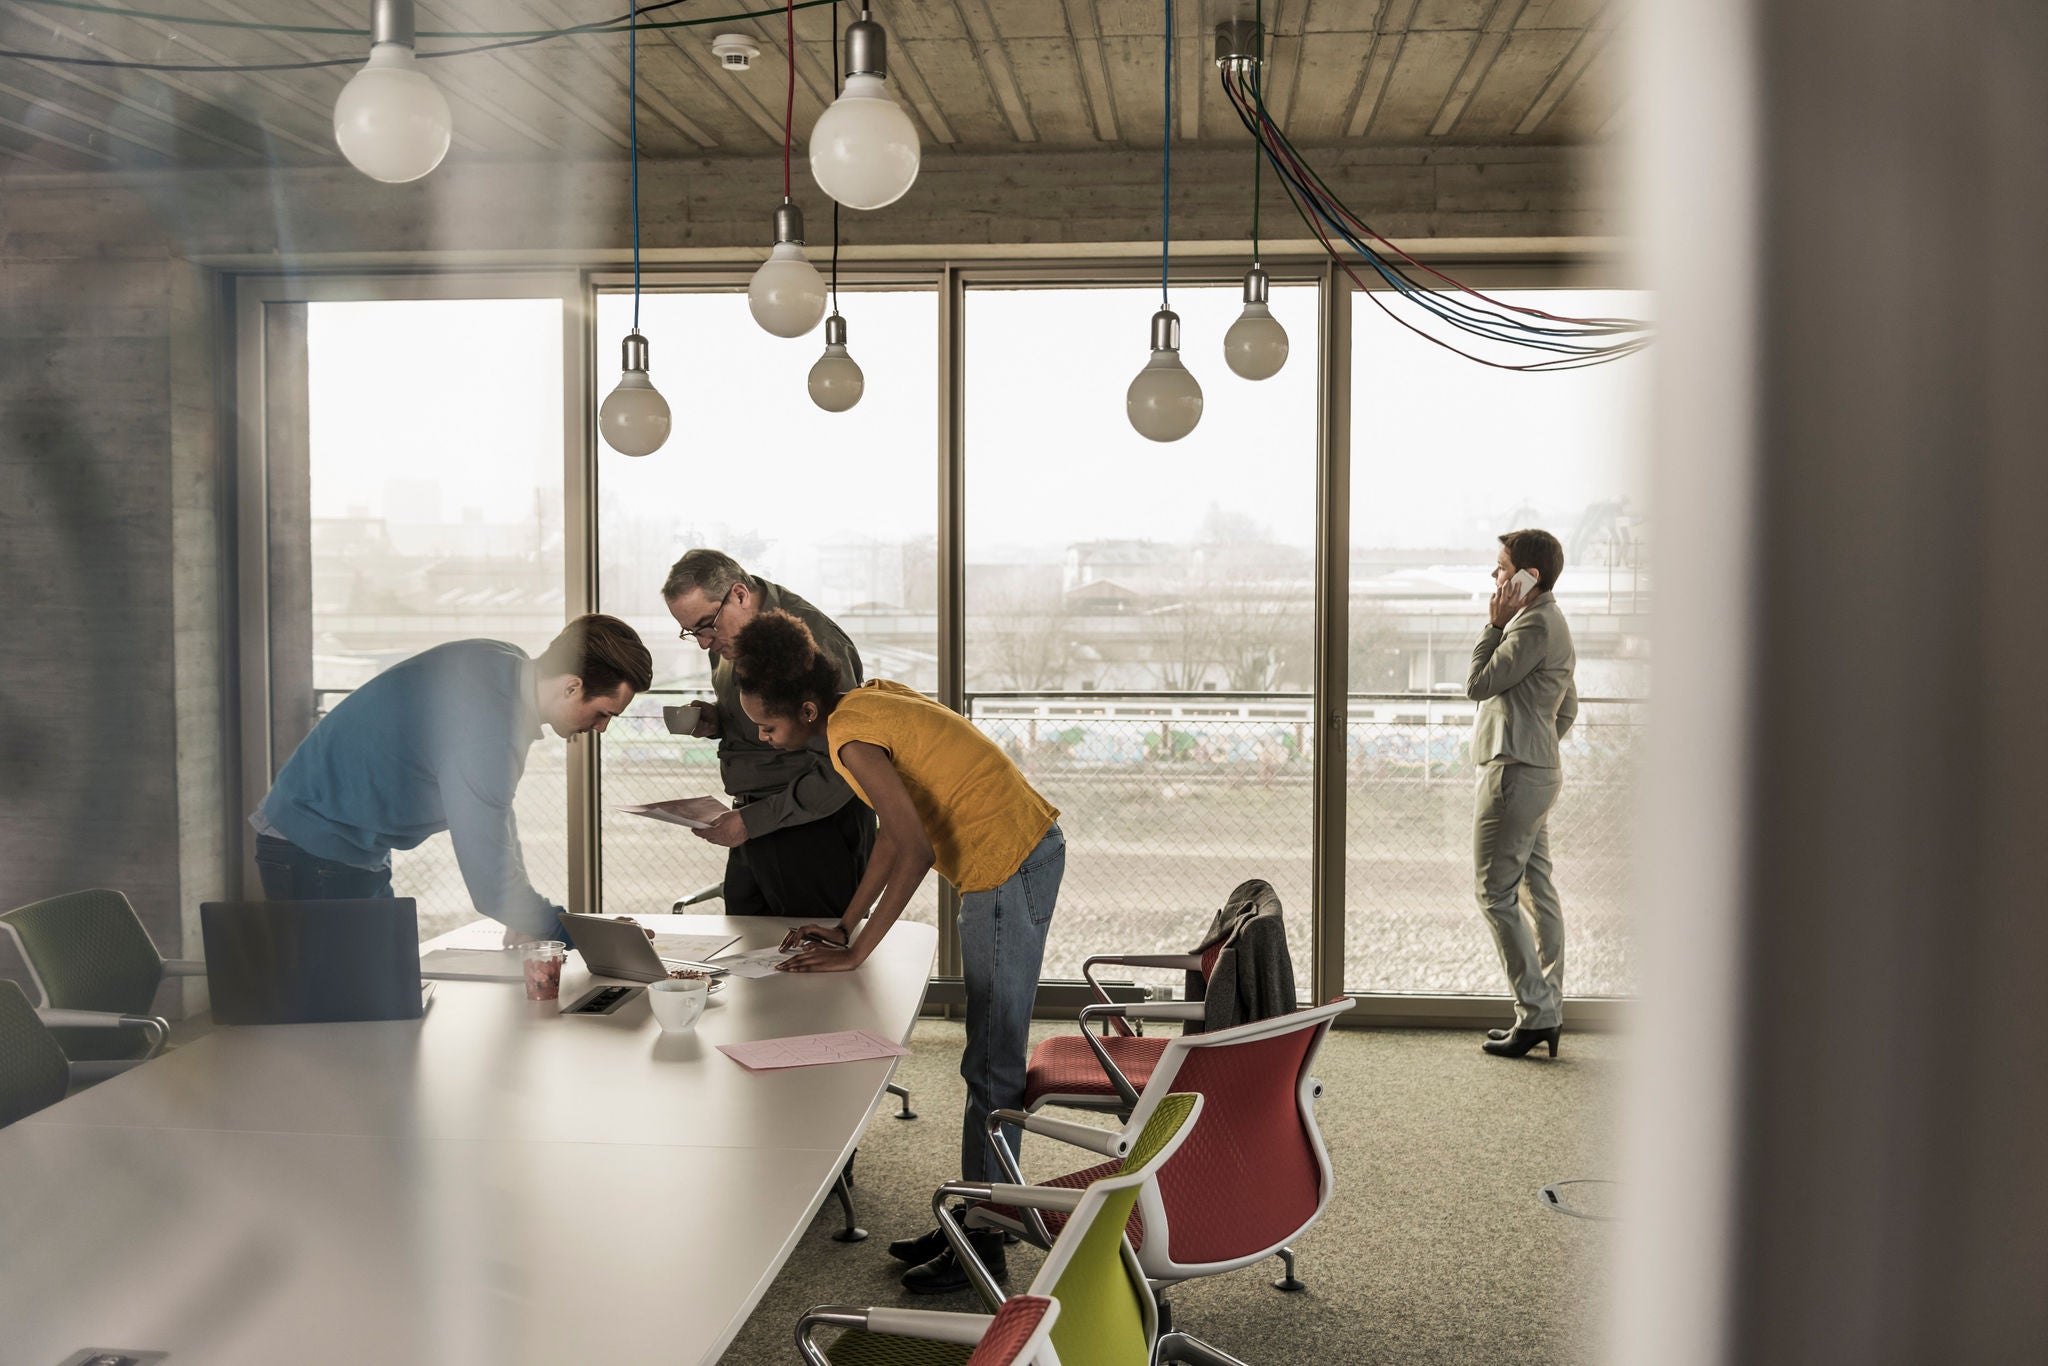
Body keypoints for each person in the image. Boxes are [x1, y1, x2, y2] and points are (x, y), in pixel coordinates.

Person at [727, 610, 1065, 1294]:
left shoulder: (848, 739)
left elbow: (916, 848)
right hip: (1019, 853)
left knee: (992, 1061)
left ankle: (985, 1242)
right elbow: (891, 835)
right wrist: (846, 925)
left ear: (807, 709)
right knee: (987, 1059)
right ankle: (976, 1218)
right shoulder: (866, 702)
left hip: (1006, 865)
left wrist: (855, 956)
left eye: (768, 726)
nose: (764, 738)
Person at [251, 614, 653, 944]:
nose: (601, 728)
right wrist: (583, 935)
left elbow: (497, 820)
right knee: (346, 1017)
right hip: (312, 845)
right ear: (572, 686)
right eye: (604, 713)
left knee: (381, 998)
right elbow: (491, 885)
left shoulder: (501, 663)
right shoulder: (489, 731)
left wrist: (526, 913)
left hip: (349, 843)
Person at [661, 549, 874, 921]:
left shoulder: (814, 641)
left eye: (705, 625)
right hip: (755, 820)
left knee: (816, 963)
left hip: (812, 827)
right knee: (749, 958)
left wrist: (753, 821)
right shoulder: (727, 634)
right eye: (690, 632)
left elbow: (844, 763)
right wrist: (717, 721)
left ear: (740, 595)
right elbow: (768, 716)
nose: (702, 643)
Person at [1466, 529, 1579, 1059]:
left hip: (1515, 774)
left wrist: (1493, 623)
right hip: (1536, 771)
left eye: (1502, 566)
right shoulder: (1553, 622)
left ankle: (1536, 1013)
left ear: (1527, 576)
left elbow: (1479, 683)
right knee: (1536, 888)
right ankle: (1545, 1010)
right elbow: (1568, 708)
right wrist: (1539, 745)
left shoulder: (1529, 624)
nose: (1495, 576)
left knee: (1495, 893)